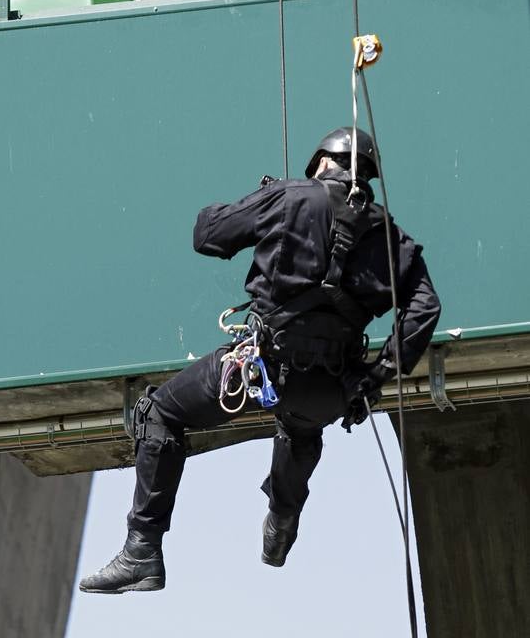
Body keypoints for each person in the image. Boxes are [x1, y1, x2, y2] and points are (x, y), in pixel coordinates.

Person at [80, 127, 441, 594]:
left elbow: (207, 234)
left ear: (323, 162)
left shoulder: (289, 198)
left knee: (159, 413)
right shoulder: (392, 237)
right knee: (301, 428)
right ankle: (283, 518)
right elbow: (425, 308)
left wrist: (262, 198)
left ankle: (142, 551)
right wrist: (375, 378)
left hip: (262, 366)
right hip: (331, 388)